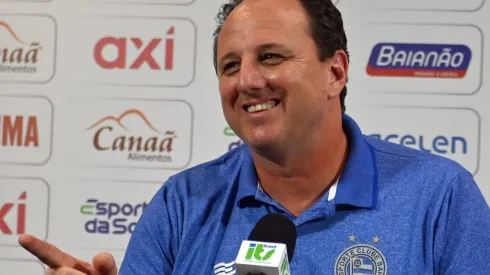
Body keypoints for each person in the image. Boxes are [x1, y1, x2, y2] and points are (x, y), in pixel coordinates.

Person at [18, 0, 490, 274]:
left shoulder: (439, 196)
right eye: (229, 66)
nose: (245, 81)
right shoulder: (182, 203)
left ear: (336, 72)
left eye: (270, 57)